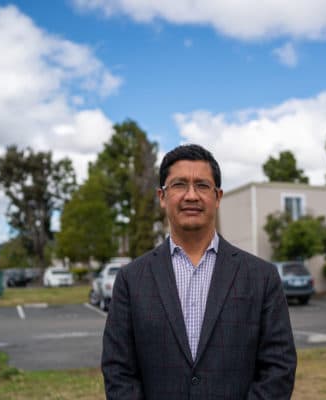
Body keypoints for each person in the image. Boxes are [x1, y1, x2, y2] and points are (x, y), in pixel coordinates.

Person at [101, 144, 296, 399]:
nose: (191, 195)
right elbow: (118, 371)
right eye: (179, 185)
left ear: (218, 197)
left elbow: (278, 369)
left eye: (202, 186)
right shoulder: (131, 280)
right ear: (162, 196)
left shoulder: (261, 277)